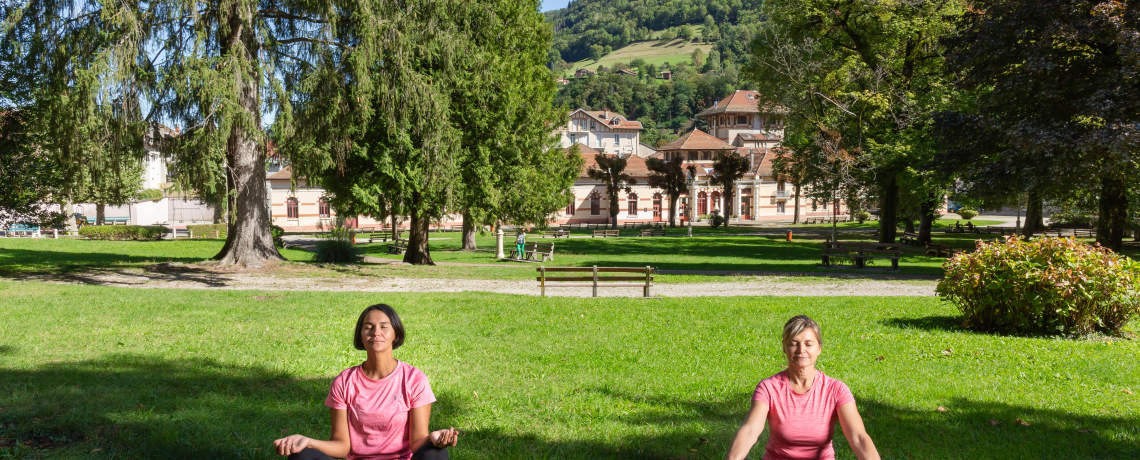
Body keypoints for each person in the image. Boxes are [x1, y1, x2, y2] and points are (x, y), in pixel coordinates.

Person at [274, 304, 458, 460]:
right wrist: (308, 441)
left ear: (395, 333)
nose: (376, 332)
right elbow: (341, 446)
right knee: (301, 456)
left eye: (384, 326)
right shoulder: (344, 382)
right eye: (368, 327)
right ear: (361, 336)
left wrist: (432, 438)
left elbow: (417, 442)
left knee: (436, 453)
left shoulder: (414, 379)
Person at [725, 316, 879, 460]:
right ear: (785, 348)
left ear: (819, 348)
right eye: (793, 343)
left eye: (808, 344)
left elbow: (858, 437)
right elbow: (750, 430)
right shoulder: (768, 388)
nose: (800, 350)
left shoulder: (836, 389)